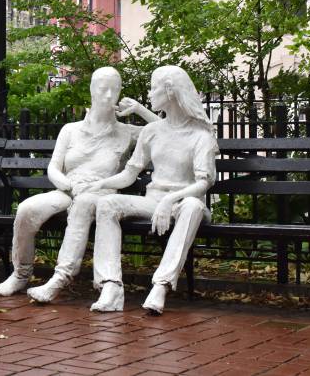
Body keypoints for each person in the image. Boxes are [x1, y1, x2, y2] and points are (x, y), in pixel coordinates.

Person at [0, 67, 158, 302]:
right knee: (26, 209)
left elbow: (166, 133)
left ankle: (60, 278)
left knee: (84, 204)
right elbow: (53, 167)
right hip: (68, 189)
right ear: (92, 90)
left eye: (115, 89)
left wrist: (140, 110)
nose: (109, 96)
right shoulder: (70, 130)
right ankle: (21, 273)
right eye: (103, 89)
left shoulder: (127, 133)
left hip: (100, 195)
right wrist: (68, 185)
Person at [86, 65, 217, 315]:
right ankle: (111, 286)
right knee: (107, 204)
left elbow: (204, 182)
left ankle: (161, 284)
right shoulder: (152, 131)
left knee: (192, 206)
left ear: (170, 92)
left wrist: (170, 200)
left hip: (187, 202)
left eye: (153, 87)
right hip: (154, 202)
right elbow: (129, 174)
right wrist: (101, 184)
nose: (150, 93)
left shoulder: (201, 135)